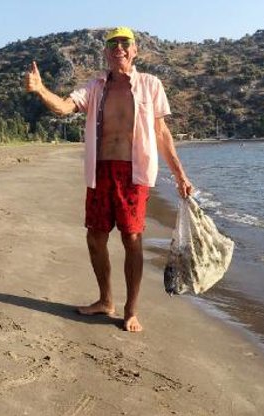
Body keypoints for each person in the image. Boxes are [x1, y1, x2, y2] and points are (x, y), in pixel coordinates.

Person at [25, 27, 193, 332]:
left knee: (132, 238)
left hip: (134, 173)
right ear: (105, 52)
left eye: (124, 43)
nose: (118, 47)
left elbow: (161, 134)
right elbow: (64, 107)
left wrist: (180, 174)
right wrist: (40, 90)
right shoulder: (95, 87)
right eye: (112, 44)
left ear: (135, 50)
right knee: (95, 237)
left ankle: (131, 310)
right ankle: (106, 300)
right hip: (100, 171)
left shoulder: (150, 85)